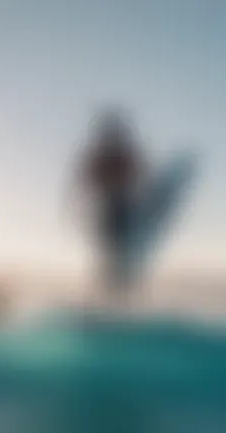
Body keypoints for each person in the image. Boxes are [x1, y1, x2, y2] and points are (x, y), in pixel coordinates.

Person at [70, 109, 148, 301]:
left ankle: (117, 288)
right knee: (109, 247)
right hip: (109, 204)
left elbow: (137, 174)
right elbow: (86, 177)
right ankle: (110, 288)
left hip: (119, 204)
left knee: (117, 247)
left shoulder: (119, 154)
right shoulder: (104, 154)